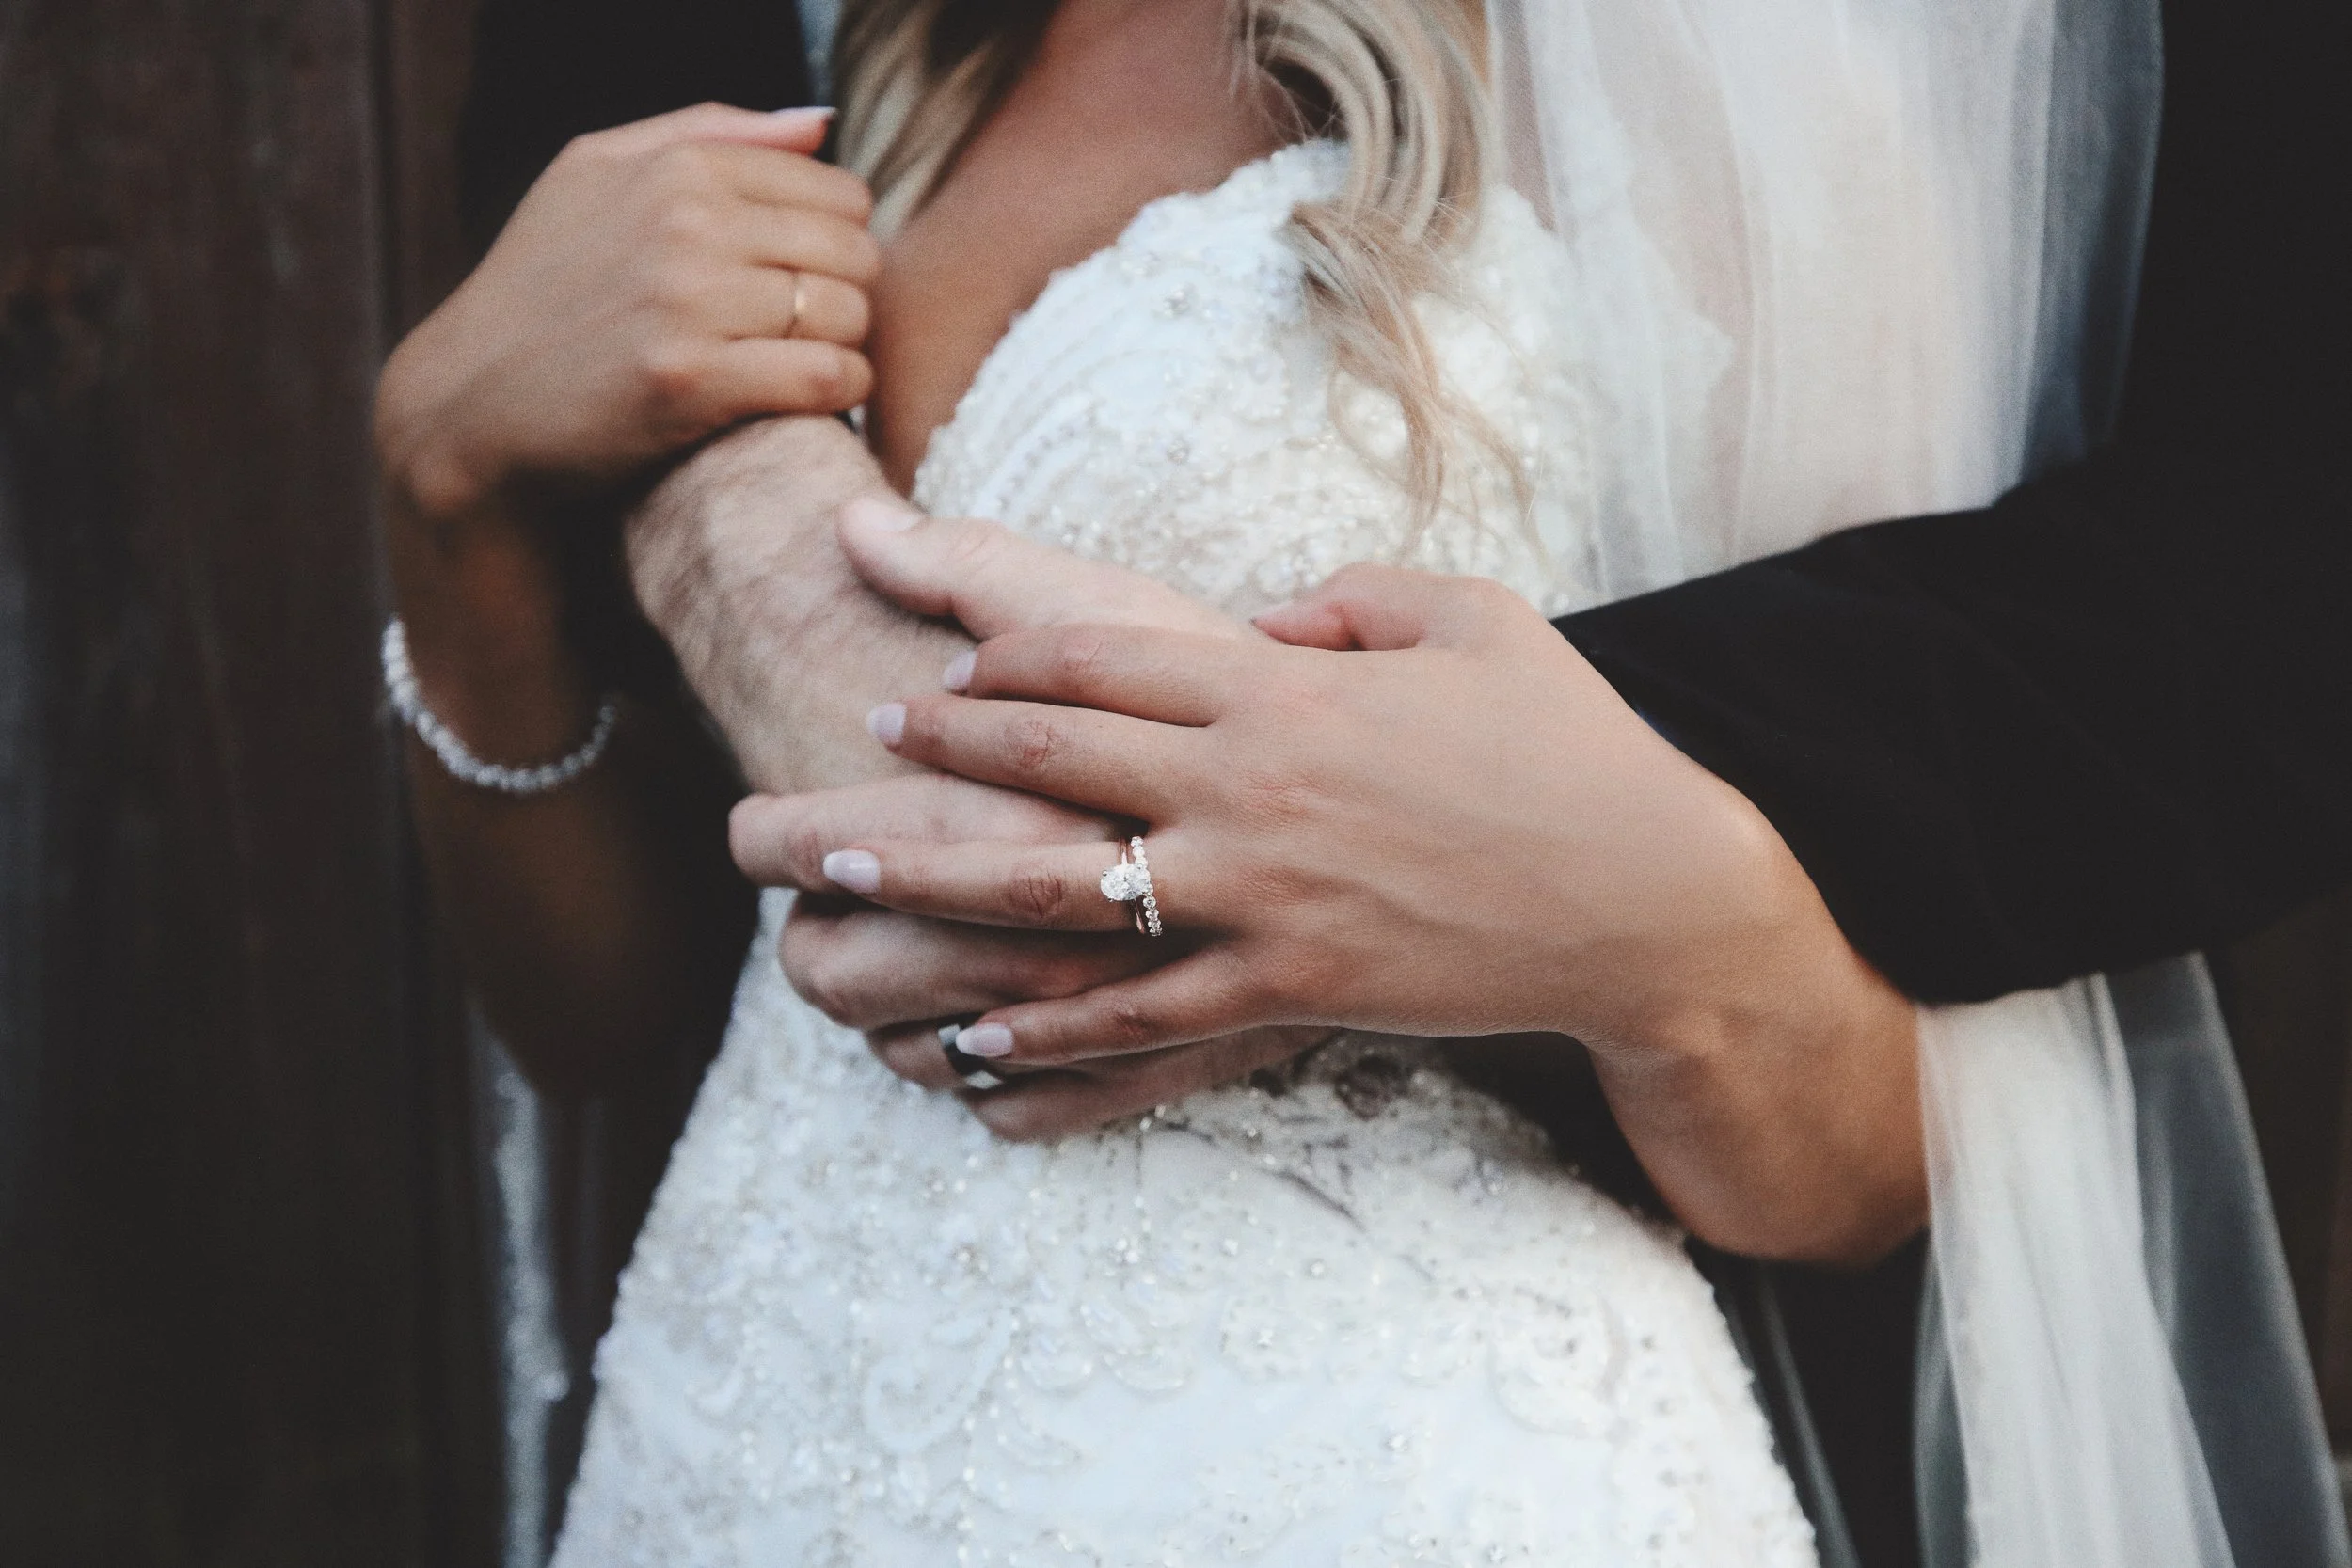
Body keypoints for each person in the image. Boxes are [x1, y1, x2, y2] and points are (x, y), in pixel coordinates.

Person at [380, 0, 2347, 1563]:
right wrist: (442, 482)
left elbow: (1885, 1144)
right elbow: (605, 1010)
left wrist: (1618, 915)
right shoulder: (881, 58)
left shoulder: (1769, 92)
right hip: (759, 1436)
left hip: (1388, 1472)